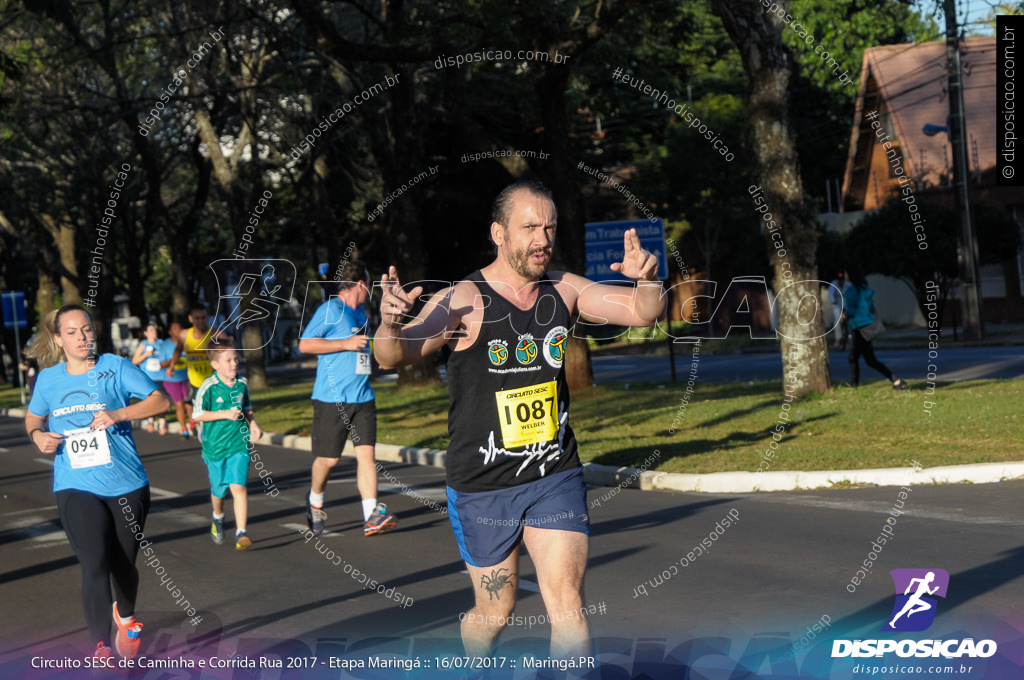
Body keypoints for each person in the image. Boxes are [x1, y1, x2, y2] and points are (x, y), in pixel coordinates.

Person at [373, 180, 665, 658]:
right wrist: (389, 322)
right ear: (499, 233)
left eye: (549, 227)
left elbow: (642, 312)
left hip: (554, 473)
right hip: (483, 483)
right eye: (530, 227)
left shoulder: (564, 290)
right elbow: (394, 355)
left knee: (567, 602)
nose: (542, 239)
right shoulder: (464, 299)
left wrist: (647, 280)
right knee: (495, 612)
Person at [24, 304, 170, 662]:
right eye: (72, 332)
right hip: (75, 485)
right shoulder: (49, 379)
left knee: (123, 564)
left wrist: (119, 413)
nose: (82, 337)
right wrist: (37, 435)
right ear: (58, 339)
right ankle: (101, 649)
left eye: (87, 329)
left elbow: (160, 401)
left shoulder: (114, 367)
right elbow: (33, 418)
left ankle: (126, 615)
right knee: (95, 562)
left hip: (127, 483)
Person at [299, 261, 396, 537]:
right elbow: (305, 344)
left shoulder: (360, 313)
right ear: (361, 284)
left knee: (366, 456)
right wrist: (344, 344)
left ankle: (371, 516)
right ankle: (315, 500)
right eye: (369, 286)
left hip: (362, 396)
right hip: (332, 398)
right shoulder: (330, 309)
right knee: (329, 461)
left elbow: (360, 348)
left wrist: (376, 361)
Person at [192, 342, 263, 549]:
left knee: (238, 486)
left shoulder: (242, 383)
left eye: (236, 359)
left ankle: (242, 533)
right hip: (214, 447)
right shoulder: (209, 387)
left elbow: (247, 406)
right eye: (228, 360)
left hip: (238, 443)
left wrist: (254, 424)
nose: (234, 364)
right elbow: (197, 415)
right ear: (215, 364)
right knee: (219, 491)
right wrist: (224, 414)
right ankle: (218, 516)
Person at [845, 266, 907, 389]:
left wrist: (844, 315)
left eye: (846, 272)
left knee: (863, 359)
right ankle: (892, 379)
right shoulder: (865, 289)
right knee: (861, 358)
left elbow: (851, 310)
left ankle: (894, 379)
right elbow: (871, 309)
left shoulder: (851, 290)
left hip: (858, 327)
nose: (844, 274)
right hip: (867, 326)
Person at [170, 304, 221, 441]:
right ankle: (201, 427)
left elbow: (228, 350)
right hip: (194, 381)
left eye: (203, 318)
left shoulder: (215, 334)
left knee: (213, 408)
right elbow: (178, 350)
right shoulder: (184, 335)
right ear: (191, 318)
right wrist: (171, 366)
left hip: (212, 380)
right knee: (193, 408)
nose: (200, 321)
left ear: (208, 318)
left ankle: (211, 431)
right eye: (197, 318)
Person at [132, 322, 169, 434]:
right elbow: (134, 361)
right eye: (151, 330)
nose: (154, 332)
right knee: (150, 399)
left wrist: (163, 363)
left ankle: (162, 424)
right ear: (146, 333)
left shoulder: (162, 343)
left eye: (155, 330)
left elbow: (168, 358)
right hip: (148, 377)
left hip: (161, 376)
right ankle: (150, 420)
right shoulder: (143, 344)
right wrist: (146, 355)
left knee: (162, 398)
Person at [161, 320, 192, 438]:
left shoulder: (187, 342)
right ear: (170, 332)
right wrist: (173, 361)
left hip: (187, 378)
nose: (177, 331)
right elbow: (161, 364)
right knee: (179, 405)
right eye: (174, 329)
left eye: (179, 328)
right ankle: (184, 429)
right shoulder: (165, 345)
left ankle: (192, 424)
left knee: (189, 404)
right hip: (171, 380)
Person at [828, 272, 847, 350]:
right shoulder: (833, 285)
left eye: (842, 279)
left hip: (846, 306)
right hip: (837, 306)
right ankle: (838, 338)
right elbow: (831, 295)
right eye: (839, 280)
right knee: (837, 321)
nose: (841, 281)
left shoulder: (847, 285)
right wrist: (833, 301)